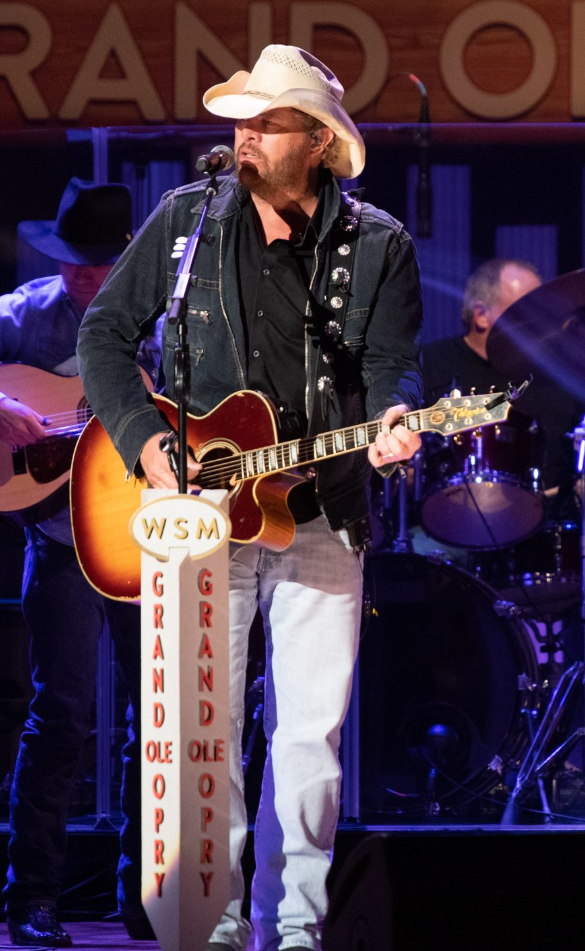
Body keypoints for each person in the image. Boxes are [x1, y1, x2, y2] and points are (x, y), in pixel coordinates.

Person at [77, 45, 423, 951]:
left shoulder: (378, 244)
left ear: (317, 141)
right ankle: (211, 925)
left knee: (310, 737)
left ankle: (296, 927)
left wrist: (394, 419)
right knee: (203, 734)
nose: (247, 136)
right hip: (195, 513)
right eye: (243, 120)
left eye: (269, 122)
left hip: (323, 512)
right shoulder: (186, 221)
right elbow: (104, 333)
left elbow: (392, 367)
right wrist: (142, 437)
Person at [0, 178, 157, 947]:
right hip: (60, 540)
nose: (78, 275)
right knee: (61, 713)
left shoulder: (162, 324)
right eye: (68, 261)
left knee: (152, 720)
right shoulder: (25, 313)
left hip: (143, 540)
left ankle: (147, 894)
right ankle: (30, 897)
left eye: (92, 263)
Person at [422, 257, 577, 499]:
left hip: (547, 516)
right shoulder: (426, 365)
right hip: (443, 515)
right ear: (481, 315)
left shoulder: (560, 376)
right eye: (527, 309)